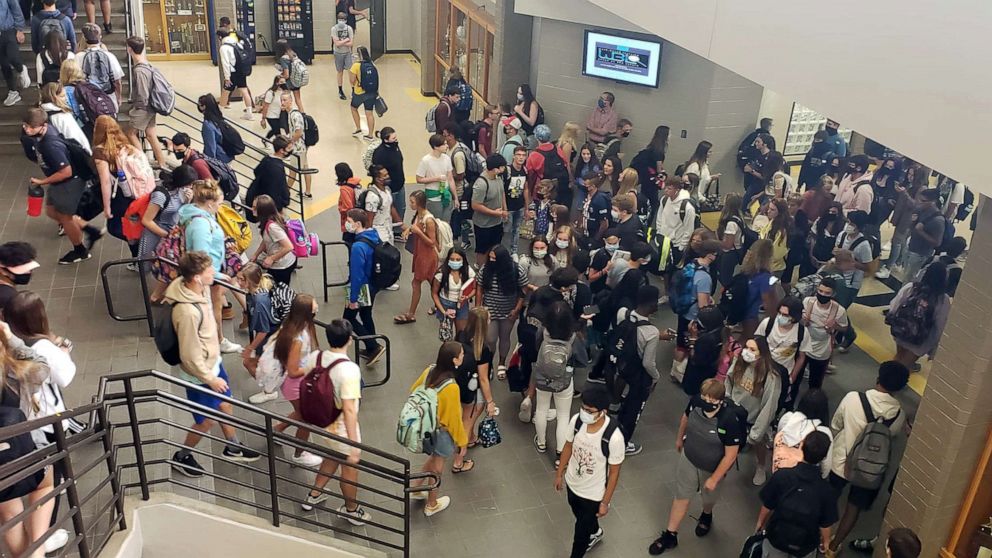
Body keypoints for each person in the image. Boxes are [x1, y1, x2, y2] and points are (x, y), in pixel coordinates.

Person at [165, 251, 261, 478]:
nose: (214, 273)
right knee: (206, 420)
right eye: (210, 271)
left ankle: (233, 446)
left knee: (225, 404)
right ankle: (182, 456)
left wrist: (225, 277)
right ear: (197, 277)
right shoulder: (187, 311)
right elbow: (189, 355)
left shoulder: (200, 287)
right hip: (200, 375)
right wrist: (209, 379)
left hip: (213, 364)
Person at [649, 379, 743, 555]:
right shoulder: (695, 402)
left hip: (712, 468)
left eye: (712, 399)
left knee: (709, 498)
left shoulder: (729, 420)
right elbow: (685, 418)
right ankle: (670, 534)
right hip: (689, 459)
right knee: (681, 496)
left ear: (720, 400)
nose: (706, 402)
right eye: (704, 396)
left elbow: (731, 455)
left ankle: (707, 514)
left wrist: (715, 478)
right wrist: (679, 438)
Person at [827, 362, 909, 554]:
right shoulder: (899, 414)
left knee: (829, 497)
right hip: (871, 470)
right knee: (853, 508)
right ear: (901, 387)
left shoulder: (853, 398)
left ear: (878, 377)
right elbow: (892, 437)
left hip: (841, 461)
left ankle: (820, 532)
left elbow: (836, 424)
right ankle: (833, 546)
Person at [299, 318, 370, 525]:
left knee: (332, 455)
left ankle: (314, 494)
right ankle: (351, 509)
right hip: (340, 427)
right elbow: (349, 408)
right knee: (348, 469)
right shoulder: (349, 370)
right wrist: (354, 444)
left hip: (321, 421)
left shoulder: (316, 357)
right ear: (349, 339)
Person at [21, 107, 101, 265]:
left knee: (65, 217)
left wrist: (42, 182)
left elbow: (66, 172)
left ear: (43, 125)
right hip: (58, 182)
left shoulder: (51, 145)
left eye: (31, 127)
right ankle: (91, 230)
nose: (27, 130)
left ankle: (80, 251)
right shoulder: (42, 134)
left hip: (68, 183)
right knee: (52, 211)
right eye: (26, 126)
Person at [555, 385, 625, 558]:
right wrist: (559, 474)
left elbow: (614, 472)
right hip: (573, 483)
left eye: (590, 410)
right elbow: (568, 446)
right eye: (583, 408)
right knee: (576, 511)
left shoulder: (614, 438)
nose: (585, 412)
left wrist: (605, 502)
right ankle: (595, 531)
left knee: (580, 535)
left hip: (593, 494)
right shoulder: (577, 421)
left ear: (603, 412)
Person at [178, 180, 243, 354]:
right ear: (209, 203)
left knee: (213, 307)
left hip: (211, 272)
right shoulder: (201, 224)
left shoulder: (200, 216)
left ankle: (216, 339)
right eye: (219, 204)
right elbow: (200, 258)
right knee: (210, 308)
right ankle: (214, 341)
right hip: (208, 275)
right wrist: (219, 276)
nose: (221, 207)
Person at [754, 430, 838, 558]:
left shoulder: (781, 476)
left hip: (776, 538)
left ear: (801, 446)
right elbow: (825, 524)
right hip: (805, 545)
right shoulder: (826, 490)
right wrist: (826, 542)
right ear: (825, 456)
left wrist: (760, 523)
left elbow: (768, 505)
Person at [409, 342, 467, 516]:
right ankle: (432, 504)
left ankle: (416, 488)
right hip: (441, 433)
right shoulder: (451, 388)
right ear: (454, 360)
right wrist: (462, 442)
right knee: (438, 468)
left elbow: (413, 390)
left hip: (425, 427)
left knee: (433, 460)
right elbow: (454, 420)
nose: (463, 356)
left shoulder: (430, 370)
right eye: (461, 354)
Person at [266, 294, 323, 467]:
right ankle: (299, 453)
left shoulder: (297, 327)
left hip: (299, 383)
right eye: (314, 306)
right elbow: (292, 371)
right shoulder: (297, 339)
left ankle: (277, 430)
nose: (317, 306)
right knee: (307, 418)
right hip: (295, 384)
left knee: (300, 413)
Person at [91, 114, 153, 260]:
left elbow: (105, 182)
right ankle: (140, 255)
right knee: (131, 225)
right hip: (136, 193)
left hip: (120, 197)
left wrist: (106, 207)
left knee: (116, 228)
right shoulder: (126, 145)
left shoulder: (100, 152)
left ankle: (141, 254)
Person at [614, 285, 666, 455]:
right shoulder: (651, 332)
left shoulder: (623, 313)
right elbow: (648, 363)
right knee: (634, 407)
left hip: (622, 366)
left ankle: (614, 426)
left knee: (624, 402)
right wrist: (656, 377)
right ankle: (623, 442)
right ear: (653, 306)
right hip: (638, 375)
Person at [725, 337, 783, 485]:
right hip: (735, 413)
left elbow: (768, 407)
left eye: (752, 350)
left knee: (759, 444)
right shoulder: (739, 363)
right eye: (747, 348)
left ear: (762, 353)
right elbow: (729, 380)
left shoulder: (771, 377)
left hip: (753, 419)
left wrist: (756, 433)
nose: (747, 352)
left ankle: (761, 466)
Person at [142, 166, 196, 303]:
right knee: (147, 264)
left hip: (171, 230)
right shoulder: (160, 195)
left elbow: (179, 211)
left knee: (168, 263)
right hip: (155, 233)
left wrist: (187, 202)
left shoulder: (180, 190)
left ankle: (162, 293)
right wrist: (166, 234)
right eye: (189, 183)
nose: (190, 187)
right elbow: (147, 220)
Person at [670, 240, 720, 384]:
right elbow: (703, 306)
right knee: (688, 346)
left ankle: (675, 369)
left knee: (680, 343)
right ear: (710, 255)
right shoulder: (704, 276)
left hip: (683, 311)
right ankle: (678, 373)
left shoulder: (692, 264)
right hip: (693, 317)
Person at [532, 301, 577, 454]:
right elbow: (582, 360)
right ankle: (560, 451)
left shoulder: (542, 331)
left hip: (542, 377)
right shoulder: (573, 337)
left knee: (541, 409)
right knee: (563, 415)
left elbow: (536, 346)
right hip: (563, 381)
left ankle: (541, 442)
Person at [888, 262, 951, 369]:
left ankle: (892, 373)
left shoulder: (911, 287)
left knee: (899, 356)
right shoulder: (942, 299)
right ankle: (892, 379)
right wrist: (934, 349)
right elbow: (939, 326)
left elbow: (894, 306)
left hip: (902, 330)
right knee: (902, 366)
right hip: (921, 339)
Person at [477, 245, 528, 378]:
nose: (492, 260)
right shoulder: (486, 269)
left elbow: (523, 291)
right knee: (490, 339)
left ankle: (501, 363)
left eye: (495, 258)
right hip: (490, 310)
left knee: (505, 337)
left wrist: (516, 310)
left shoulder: (516, 270)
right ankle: (489, 363)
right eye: (490, 258)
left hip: (508, 311)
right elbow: (480, 288)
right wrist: (479, 308)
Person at [343, 209, 385, 364]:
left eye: (349, 221)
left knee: (348, 318)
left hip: (362, 288)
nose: (347, 224)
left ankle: (373, 346)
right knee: (366, 315)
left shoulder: (357, 247)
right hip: (373, 285)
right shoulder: (373, 236)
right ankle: (371, 348)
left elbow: (356, 275)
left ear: (358, 223)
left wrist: (353, 298)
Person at [756, 296, 811, 411]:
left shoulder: (802, 332)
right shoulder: (768, 324)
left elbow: (801, 357)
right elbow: (757, 344)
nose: (781, 317)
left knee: (776, 403)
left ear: (795, 317)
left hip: (783, 375)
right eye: (780, 313)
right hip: (763, 369)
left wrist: (792, 377)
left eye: (786, 315)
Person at [453, 307, 496, 450]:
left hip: (461, 385)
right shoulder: (483, 349)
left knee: (465, 416)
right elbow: (483, 379)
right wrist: (490, 401)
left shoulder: (460, 335)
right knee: (468, 422)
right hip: (475, 392)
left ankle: (471, 439)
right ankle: (459, 460)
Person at [797, 277, 847, 394]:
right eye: (820, 291)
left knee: (815, 382)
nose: (822, 295)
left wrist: (834, 326)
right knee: (796, 377)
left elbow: (844, 327)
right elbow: (801, 320)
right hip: (804, 347)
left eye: (827, 293)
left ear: (833, 294)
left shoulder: (839, 310)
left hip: (822, 351)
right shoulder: (808, 302)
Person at [395, 190, 438, 325]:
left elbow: (432, 242)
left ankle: (411, 313)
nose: (410, 204)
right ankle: (439, 305)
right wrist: (410, 230)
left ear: (419, 203)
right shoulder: (419, 216)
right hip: (421, 254)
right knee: (432, 283)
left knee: (418, 282)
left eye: (412, 202)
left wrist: (418, 232)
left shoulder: (429, 220)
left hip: (427, 256)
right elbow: (415, 227)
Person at [125, 37, 167, 168]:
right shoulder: (148, 65)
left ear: (129, 49)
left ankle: (143, 163)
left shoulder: (139, 70)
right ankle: (162, 163)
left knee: (131, 133)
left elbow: (143, 93)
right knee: (151, 134)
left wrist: (136, 106)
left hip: (143, 108)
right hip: (152, 106)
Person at [773, 388, 833, 477]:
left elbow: (779, 437)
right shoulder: (823, 433)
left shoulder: (787, 418)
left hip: (779, 469)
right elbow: (826, 465)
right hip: (803, 477)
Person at [469, 154, 509, 266]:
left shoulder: (498, 178)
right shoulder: (481, 183)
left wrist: (504, 210)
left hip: (497, 222)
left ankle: (492, 267)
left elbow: (502, 193)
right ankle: (481, 269)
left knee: (495, 247)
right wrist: (494, 213)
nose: (504, 169)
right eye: (502, 167)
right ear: (496, 169)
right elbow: (476, 205)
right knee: (482, 249)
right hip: (483, 224)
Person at [250, 195, 295, 286]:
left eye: (255, 207)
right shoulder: (270, 221)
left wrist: (271, 258)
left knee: (279, 291)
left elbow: (289, 247)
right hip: (282, 263)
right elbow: (267, 240)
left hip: (282, 266)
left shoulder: (272, 227)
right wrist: (256, 254)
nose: (252, 209)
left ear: (263, 210)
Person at [739, 239, 780, 339]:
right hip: (754, 317)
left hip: (741, 313)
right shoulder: (766, 278)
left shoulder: (744, 272)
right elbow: (768, 304)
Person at [902, 188, 945, 282]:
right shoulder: (921, 210)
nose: (919, 202)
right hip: (911, 246)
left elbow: (937, 242)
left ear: (933, 202)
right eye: (919, 199)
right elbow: (913, 227)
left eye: (923, 201)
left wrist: (921, 232)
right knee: (905, 275)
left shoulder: (938, 220)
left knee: (909, 279)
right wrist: (913, 222)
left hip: (920, 253)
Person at [834, 210, 874, 308]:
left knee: (841, 307)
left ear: (859, 227)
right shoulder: (842, 235)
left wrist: (852, 262)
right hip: (837, 275)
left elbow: (869, 268)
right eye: (848, 222)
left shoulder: (864, 245)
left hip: (851, 283)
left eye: (851, 223)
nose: (848, 225)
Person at [432, 246, 476, 335]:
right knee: (446, 334)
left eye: (458, 259)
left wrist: (467, 297)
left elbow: (475, 288)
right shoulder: (441, 273)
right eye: (452, 259)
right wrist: (444, 312)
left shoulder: (468, 271)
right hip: (445, 304)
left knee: (461, 334)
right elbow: (434, 293)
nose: (455, 262)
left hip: (462, 305)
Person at [416, 133, 457, 223]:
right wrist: (436, 179)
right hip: (433, 197)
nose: (447, 146)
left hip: (446, 195)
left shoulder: (446, 158)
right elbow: (419, 179)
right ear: (436, 147)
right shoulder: (426, 160)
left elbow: (450, 179)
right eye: (444, 144)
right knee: (435, 223)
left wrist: (455, 197)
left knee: (446, 223)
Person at [280, 91, 313, 198]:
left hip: (297, 148)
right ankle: (307, 192)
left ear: (291, 101)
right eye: (281, 100)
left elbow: (299, 132)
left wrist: (290, 142)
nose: (282, 102)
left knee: (292, 172)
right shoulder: (291, 114)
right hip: (301, 147)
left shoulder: (294, 115)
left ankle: (284, 192)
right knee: (305, 168)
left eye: (285, 100)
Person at [656, 176, 696, 265]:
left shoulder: (687, 207)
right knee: (662, 266)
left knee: (673, 268)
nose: (665, 190)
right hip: (663, 240)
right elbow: (659, 218)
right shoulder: (664, 200)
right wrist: (659, 233)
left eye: (669, 188)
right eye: (665, 187)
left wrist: (681, 247)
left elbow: (689, 229)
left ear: (677, 190)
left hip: (676, 244)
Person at [38, 82, 89, 151]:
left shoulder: (41, 113)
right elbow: (74, 136)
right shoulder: (61, 116)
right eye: (62, 96)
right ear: (54, 97)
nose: (65, 99)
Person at [371, 126, 406, 222]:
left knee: (401, 209)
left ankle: (398, 231)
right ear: (386, 140)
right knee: (389, 212)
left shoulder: (395, 147)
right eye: (393, 138)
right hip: (389, 188)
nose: (396, 140)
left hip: (400, 185)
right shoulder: (379, 154)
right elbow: (377, 172)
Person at [248, 135, 292, 212]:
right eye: (289, 148)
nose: (291, 150)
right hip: (272, 206)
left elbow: (256, 171)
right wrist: (284, 201)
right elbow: (280, 187)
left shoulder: (267, 159)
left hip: (262, 198)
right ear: (281, 150)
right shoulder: (277, 168)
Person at [216, 30, 252, 119]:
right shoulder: (236, 43)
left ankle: (219, 113)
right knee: (244, 90)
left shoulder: (224, 47)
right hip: (241, 70)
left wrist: (227, 77)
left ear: (220, 37)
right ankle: (249, 113)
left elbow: (225, 63)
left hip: (232, 73)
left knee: (225, 92)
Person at [363, 164, 399, 249]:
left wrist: (400, 223)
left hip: (388, 229)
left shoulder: (387, 190)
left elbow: (390, 206)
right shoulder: (372, 197)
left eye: (387, 174)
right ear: (378, 179)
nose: (388, 177)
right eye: (385, 175)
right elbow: (369, 219)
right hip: (378, 232)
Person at [0, 0, 29, 107]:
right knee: (4, 64)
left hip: (9, 30)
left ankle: (21, 69)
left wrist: (20, 29)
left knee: (12, 56)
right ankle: (13, 91)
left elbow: (16, 9)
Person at [348, 46, 379, 140]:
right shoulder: (372, 64)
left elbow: (352, 81)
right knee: (369, 113)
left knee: (353, 108)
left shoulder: (355, 66)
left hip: (359, 93)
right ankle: (370, 135)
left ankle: (358, 129)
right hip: (371, 92)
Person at [502, 145, 528, 255]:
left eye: (523, 155)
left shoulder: (525, 170)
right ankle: (504, 252)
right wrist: (505, 208)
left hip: (519, 205)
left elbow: (526, 189)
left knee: (516, 230)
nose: (521, 158)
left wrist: (527, 207)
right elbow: (502, 191)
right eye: (518, 155)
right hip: (509, 206)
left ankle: (514, 251)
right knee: (506, 230)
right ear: (513, 156)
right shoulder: (507, 170)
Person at [759, 198, 793, 277]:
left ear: (780, 212)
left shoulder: (782, 231)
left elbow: (776, 254)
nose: (768, 211)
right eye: (769, 208)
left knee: (769, 288)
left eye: (772, 210)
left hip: (775, 269)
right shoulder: (773, 221)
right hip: (766, 266)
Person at [0, 242, 38, 310]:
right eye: (22, 270)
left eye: (29, 269)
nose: (28, 272)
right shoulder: (8, 298)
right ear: (2, 270)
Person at [274, 39, 305, 113]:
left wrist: (280, 77)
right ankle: (303, 114)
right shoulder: (293, 54)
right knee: (298, 99)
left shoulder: (283, 58)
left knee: (284, 98)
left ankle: (286, 114)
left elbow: (286, 75)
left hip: (289, 82)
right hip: (296, 79)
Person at [742, 133, 773, 208]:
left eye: (758, 142)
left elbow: (766, 177)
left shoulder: (770, 158)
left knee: (763, 205)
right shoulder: (759, 154)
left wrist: (751, 171)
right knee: (745, 202)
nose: (756, 144)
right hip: (755, 183)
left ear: (765, 144)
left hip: (763, 185)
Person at [580, 173, 612, 244]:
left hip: (594, 236)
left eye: (586, 185)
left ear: (593, 186)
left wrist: (596, 239)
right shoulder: (587, 196)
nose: (584, 186)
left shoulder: (600, 200)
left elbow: (604, 224)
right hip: (585, 234)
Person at [330, 11, 354, 100]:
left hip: (347, 53)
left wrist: (342, 42)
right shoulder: (334, 29)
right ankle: (340, 90)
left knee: (350, 71)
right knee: (340, 72)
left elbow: (351, 43)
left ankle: (353, 90)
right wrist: (346, 40)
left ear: (346, 20)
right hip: (338, 53)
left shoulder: (349, 29)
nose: (341, 21)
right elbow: (337, 44)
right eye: (340, 19)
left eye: (343, 20)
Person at [335, 163, 360, 244]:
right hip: (359, 220)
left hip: (349, 222)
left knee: (350, 244)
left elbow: (348, 207)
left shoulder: (344, 189)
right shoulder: (356, 184)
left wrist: (341, 209)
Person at [258, 75, 287, 139]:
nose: (283, 84)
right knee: (277, 132)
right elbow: (265, 106)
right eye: (281, 82)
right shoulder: (270, 93)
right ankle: (279, 145)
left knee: (275, 130)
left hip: (280, 115)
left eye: (284, 82)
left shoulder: (283, 92)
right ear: (276, 83)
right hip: (271, 116)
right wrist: (263, 119)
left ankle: (265, 139)